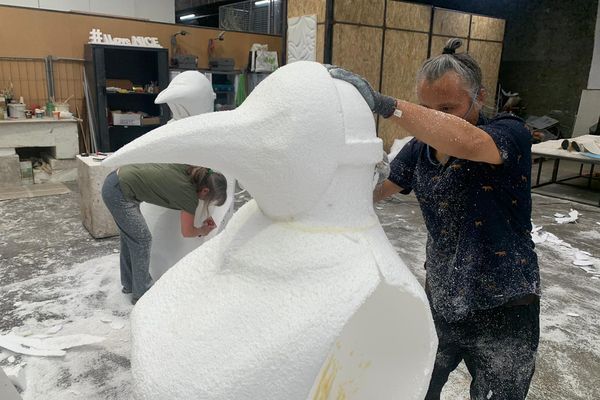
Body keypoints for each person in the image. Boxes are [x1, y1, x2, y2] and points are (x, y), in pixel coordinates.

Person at [328, 38, 540, 400]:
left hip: (504, 302)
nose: (434, 120)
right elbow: (380, 190)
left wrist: (388, 106)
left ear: (480, 98)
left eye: (447, 107)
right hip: (443, 295)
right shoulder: (419, 150)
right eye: (427, 109)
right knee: (417, 384)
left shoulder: (509, 134)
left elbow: (468, 144)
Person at [101, 163, 227, 304]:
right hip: (118, 192)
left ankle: (130, 285)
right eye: (209, 200)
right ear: (204, 190)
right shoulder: (188, 194)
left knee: (131, 239)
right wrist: (203, 230)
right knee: (142, 240)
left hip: (117, 181)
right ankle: (142, 294)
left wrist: (205, 215)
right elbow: (187, 232)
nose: (206, 202)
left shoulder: (191, 172)